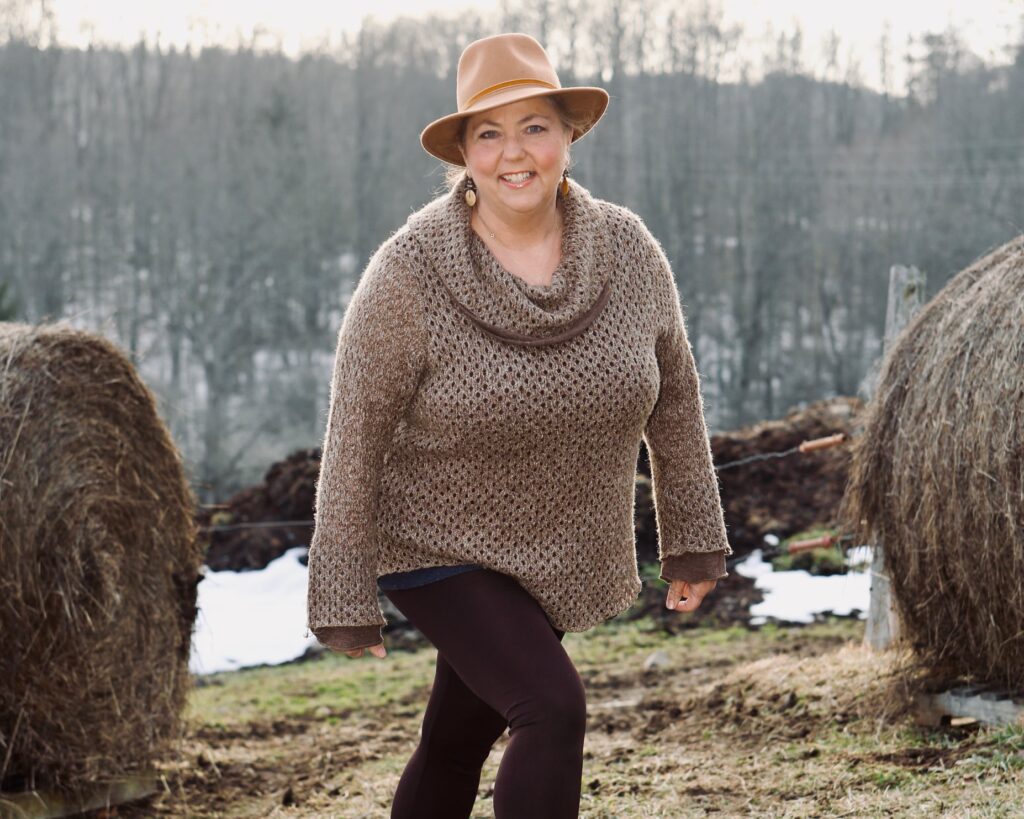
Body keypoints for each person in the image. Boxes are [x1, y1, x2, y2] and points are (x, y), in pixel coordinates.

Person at [305, 32, 731, 819]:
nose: (515, 152)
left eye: (535, 125)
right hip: (434, 545)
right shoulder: (409, 273)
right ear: (463, 152)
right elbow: (355, 435)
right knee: (549, 706)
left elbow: (674, 401)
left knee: (457, 739)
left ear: (569, 136)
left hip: (555, 546)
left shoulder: (629, 252)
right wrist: (340, 590)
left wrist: (694, 539)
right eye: (489, 132)